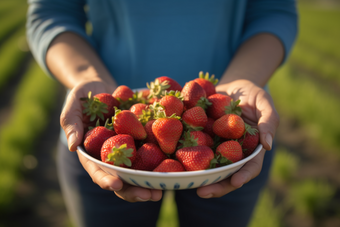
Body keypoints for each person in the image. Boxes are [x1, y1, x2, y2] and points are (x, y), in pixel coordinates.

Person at [26, 0, 298, 226]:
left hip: (234, 119)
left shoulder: (225, 128)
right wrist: (85, 77)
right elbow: (52, 11)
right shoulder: (122, 127)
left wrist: (246, 78)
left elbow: (273, 11)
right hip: (100, 131)